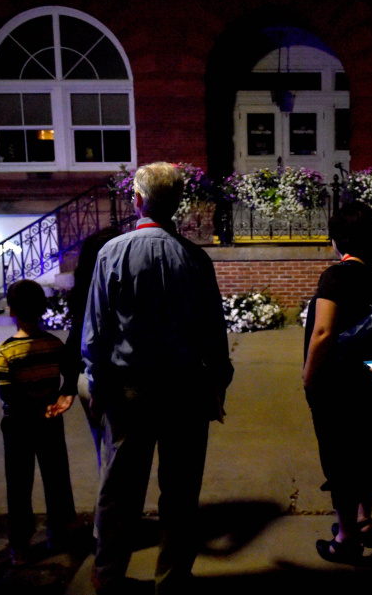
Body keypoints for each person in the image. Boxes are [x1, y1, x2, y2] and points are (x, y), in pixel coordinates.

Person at [82, 162, 234, 595]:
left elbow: (97, 328)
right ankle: (171, 577)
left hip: (130, 388)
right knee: (181, 493)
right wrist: (217, 385)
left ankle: (108, 572)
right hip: (184, 389)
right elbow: (212, 333)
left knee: (119, 489)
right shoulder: (194, 258)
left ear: (137, 201)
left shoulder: (114, 252)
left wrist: (97, 380)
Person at [302, 201, 372, 563]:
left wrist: (308, 376)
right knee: (368, 445)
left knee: (339, 455)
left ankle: (347, 539)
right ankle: (364, 520)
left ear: (339, 238)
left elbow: (322, 333)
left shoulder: (336, 276)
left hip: (340, 377)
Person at [0, 279, 77, 565]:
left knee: (18, 484)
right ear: (43, 309)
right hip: (49, 420)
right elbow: (69, 373)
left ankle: (20, 543)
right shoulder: (54, 345)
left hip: (18, 425)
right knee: (56, 477)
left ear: (11, 311)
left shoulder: (5, 352)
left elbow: (6, 393)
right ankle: (61, 530)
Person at [62, 227, 121, 470]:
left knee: (106, 453)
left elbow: (75, 340)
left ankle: (110, 503)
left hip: (86, 378)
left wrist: (67, 386)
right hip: (113, 378)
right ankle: (113, 507)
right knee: (117, 458)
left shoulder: (83, 290)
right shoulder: (117, 290)